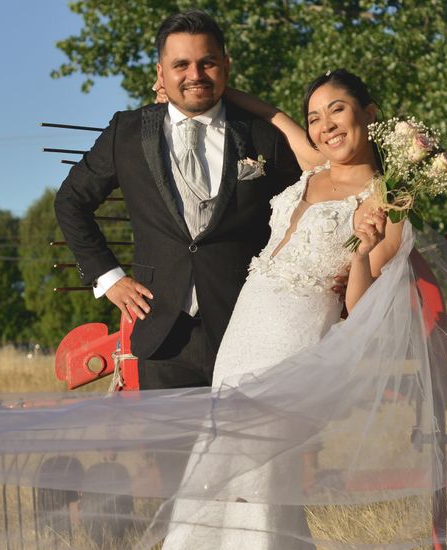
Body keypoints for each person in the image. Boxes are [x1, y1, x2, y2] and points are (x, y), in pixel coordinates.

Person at [154, 69, 399, 550]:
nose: (325, 125)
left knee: (255, 463)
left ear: (368, 115)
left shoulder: (389, 203)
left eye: (337, 110)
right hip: (246, 329)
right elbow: (271, 114)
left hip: (295, 335)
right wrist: (209, 91)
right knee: (219, 453)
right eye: (315, 117)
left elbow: (360, 305)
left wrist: (363, 251)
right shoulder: (313, 166)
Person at [54, 9, 303, 391]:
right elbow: (71, 200)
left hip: (248, 329)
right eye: (181, 64)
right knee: (171, 453)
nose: (195, 75)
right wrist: (109, 277)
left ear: (226, 66)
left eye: (207, 63)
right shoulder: (127, 132)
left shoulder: (261, 136)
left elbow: (309, 199)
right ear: (160, 73)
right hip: (163, 336)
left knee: (249, 451)